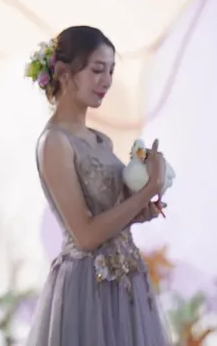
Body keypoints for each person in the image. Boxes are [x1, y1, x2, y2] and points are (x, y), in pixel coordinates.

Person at [24, 26, 171, 345]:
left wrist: (139, 211)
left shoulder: (101, 141)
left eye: (111, 71)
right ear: (64, 73)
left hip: (127, 282)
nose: (106, 81)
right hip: (87, 289)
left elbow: (109, 217)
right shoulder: (55, 142)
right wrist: (147, 190)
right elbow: (86, 235)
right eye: (97, 70)